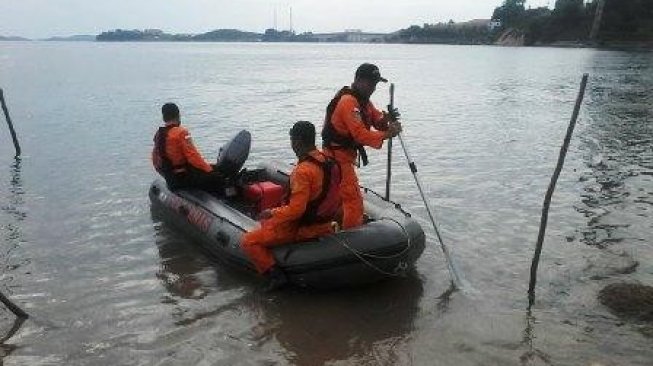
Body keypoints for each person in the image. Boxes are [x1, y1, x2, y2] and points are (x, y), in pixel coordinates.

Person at [241, 121, 342, 289]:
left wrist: (271, 212)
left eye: (292, 140)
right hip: (324, 223)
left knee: (248, 241)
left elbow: (296, 210)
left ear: (297, 142)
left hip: (301, 228)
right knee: (270, 222)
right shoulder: (329, 162)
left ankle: (275, 275)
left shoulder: (303, 171)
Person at [322, 63, 402, 229]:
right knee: (353, 200)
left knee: (340, 195)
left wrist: (386, 119)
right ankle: (352, 235)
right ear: (358, 80)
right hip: (337, 158)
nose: (373, 88)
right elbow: (361, 135)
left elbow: (377, 120)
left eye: (375, 84)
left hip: (345, 157)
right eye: (370, 83)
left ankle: (338, 223)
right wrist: (388, 134)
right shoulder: (348, 102)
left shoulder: (364, 102)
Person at [152, 103, 225, 192]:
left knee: (212, 168)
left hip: (171, 179)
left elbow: (155, 160)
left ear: (164, 118)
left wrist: (167, 174)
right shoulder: (181, 132)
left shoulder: (158, 134)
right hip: (183, 178)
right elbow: (193, 157)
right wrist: (210, 171)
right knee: (219, 176)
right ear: (178, 116)